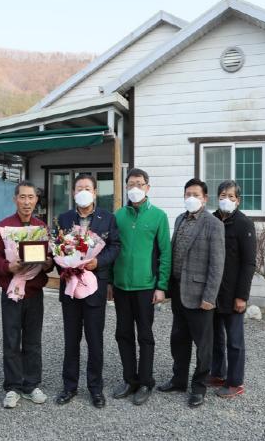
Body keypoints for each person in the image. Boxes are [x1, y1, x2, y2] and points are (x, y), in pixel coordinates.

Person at [157, 178, 224, 408]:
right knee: (179, 339)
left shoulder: (213, 224)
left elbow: (217, 265)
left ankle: (199, 387)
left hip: (200, 295)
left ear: (205, 198)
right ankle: (179, 380)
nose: (191, 198)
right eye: (187, 194)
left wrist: (209, 297)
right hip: (178, 290)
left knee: (203, 345)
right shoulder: (180, 219)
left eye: (196, 194)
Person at [55, 174, 120, 409]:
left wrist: (98, 262)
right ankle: (69, 386)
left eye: (87, 188)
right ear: (73, 193)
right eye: (79, 188)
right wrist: (65, 265)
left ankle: (95, 388)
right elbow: (56, 247)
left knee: (94, 340)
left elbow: (115, 246)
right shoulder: (64, 218)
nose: (83, 192)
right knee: (71, 340)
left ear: (95, 193)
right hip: (71, 287)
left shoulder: (107, 218)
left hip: (95, 287)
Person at [0, 180, 54, 409]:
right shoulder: (3, 227)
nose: (27, 202)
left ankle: (31, 384)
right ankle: (13, 386)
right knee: (11, 339)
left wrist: (48, 264)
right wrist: (8, 267)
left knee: (33, 340)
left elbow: (50, 258)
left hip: (34, 292)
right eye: (22, 197)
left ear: (36, 200)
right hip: (12, 292)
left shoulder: (41, 227)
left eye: (31, 197)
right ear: (15, 199)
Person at [110, 168, 171, 406]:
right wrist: (110, 282)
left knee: (145, 335)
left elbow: (165, 253)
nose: (135, 188)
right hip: (121, 286)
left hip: (146, 286)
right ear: (126, 187)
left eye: (139, 183)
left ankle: (146, 382)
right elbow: (112, 249)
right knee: (123, 334)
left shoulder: (158, 216)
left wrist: (161, 285)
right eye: (131, 184)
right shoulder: (118, 216)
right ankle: (130, 380)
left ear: (148, 187)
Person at [210, 180, 256, 398]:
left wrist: (242, 296)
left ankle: (235, 381)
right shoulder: (212, 219)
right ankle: (218, 373)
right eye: (222, 196)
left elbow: (249, 263)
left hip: (233, 292)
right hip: (213, 291)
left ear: (238, 200)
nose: (226, 200)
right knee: (215, 336)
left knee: (235, 340)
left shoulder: (244, 224)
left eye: (231, 196)